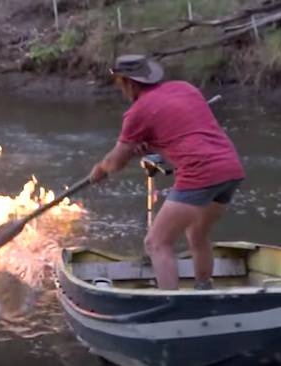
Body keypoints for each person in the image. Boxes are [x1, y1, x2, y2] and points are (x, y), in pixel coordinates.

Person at [90, 54, 244, 290]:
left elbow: (115, 162)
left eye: (119, 84)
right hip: (230, 168)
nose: (120, 90)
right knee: (197, 234)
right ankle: (204, 289)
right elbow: (184, 135)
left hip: (199, 173)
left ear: (128, 83)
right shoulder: (186, 88)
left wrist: (101, 169)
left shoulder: (137, 112)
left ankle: (171, 303)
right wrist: (151, 145)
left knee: (156, 243)